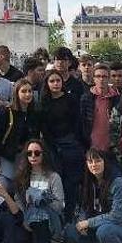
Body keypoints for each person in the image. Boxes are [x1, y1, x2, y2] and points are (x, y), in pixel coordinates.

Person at [0, 139, 64, 243]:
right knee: (14, 238)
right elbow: (19, 202)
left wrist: (43, 199)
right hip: (28, 222)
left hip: (50, 221)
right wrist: (25, 219)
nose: (33, 156)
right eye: (29, 153)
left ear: (43, 154)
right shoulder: (22, 177)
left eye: (37, 153)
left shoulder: (53, 177)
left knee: (38, 205)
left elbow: (59, 206)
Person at [40, 69, 84, 221]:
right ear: (47, 84)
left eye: (58, 80)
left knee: (71, 184)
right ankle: (56, 218)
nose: (55, 84)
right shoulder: (44, 102)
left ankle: (70, 216)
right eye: (52, 81)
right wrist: (53, 146)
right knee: (56, 183)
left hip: (71, 146)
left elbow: (78, 123)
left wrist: (76, 143)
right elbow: (44, 129)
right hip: (53, 148)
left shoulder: (71, 99)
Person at [0, 78, 41, 188]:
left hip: (26, 159)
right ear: (16, 93)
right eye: (23, 91)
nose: (27, 94)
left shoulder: (34, 114)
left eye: (30, 91)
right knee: (4, 188)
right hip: (8, 158)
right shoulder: (7, 113)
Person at [81, 63, 120, 152]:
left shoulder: (117, 98)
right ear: (94, 78)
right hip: (91, 146)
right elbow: (82, 123)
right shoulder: (86, 98)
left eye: (104, 76)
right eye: (98, 76)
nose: (101, 79)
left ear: (109, 78)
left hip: (112, 147)